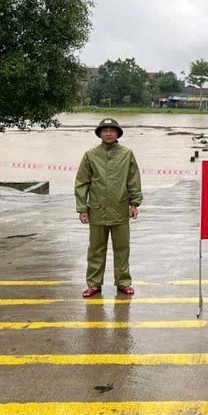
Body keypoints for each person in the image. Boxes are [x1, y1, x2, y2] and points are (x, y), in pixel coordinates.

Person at [75, 118, 143, 298]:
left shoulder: (126, 154)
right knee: (96, 249)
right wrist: (82, 208)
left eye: (112, 130)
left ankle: (123, 282)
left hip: (120, 209)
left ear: (118, 133)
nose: (108, 133)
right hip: (96, 210)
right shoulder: (90, 155)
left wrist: (134, 203)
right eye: (105, 130)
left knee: (122, 248)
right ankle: (94, 284)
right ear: (99, 133)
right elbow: (82, 182)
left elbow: (133, 180)